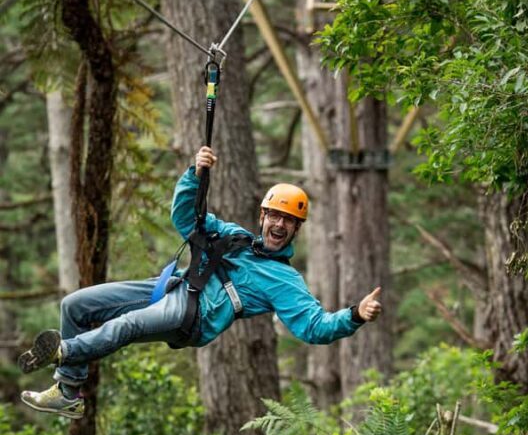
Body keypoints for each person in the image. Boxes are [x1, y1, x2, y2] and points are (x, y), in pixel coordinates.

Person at [19, 146, 382, 419]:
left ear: (296, 229)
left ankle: (66, 351)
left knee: (126, 325)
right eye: (274, 215)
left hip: (192, 317)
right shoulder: (235, 236)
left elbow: (315, 327)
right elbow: (185, 218)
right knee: (76, 305)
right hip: (171, 287)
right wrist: (195, 174)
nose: (279, 224)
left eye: (288, 220)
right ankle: (68, 388)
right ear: (262, 215)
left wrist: (355, 315)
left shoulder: (285, 281)